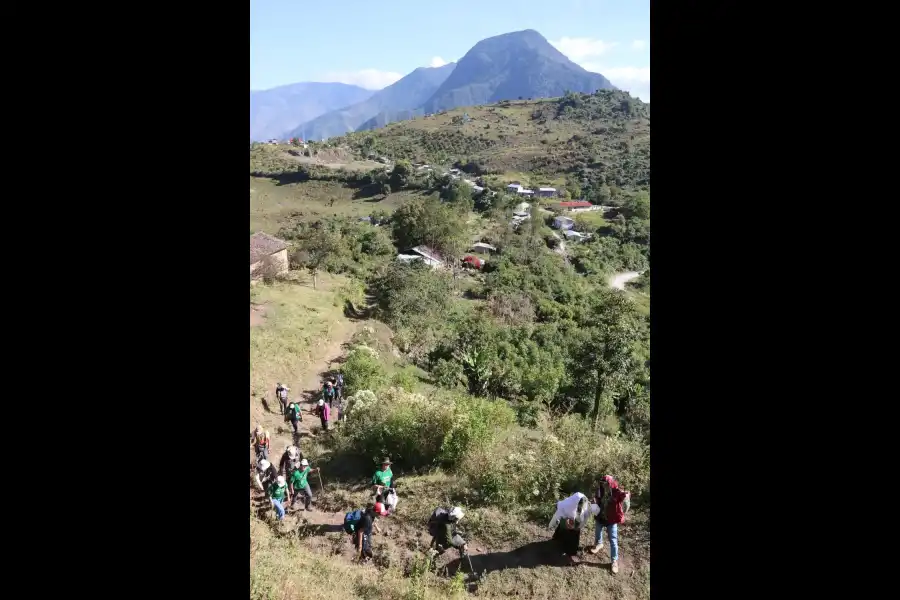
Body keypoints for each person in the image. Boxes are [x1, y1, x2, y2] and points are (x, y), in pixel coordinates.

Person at [589, 475, 631, 574]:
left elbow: (624, 497)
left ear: (610, 483)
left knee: (613, 540)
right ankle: (599, 544)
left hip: (611, 520)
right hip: (601, 516)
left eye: (606, 483)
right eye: (602, 483)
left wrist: (626, 496)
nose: (604, 485)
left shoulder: (617, 492)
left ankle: (614, 561)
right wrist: (594, 501)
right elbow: (597, 498)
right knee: (598, 530)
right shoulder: (600, 489)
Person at [548, 492, 591, 564]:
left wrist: (578, 527)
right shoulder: (566, 505)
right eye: (579, 506)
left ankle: (571, 553)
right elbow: (559, 514)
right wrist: (565, 521)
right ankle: (557, 541)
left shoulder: (587, 508)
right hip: (565, 516)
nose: (579, 508)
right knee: (564, 528)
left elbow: (584, 519)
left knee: (575, 533)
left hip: (576, 520)